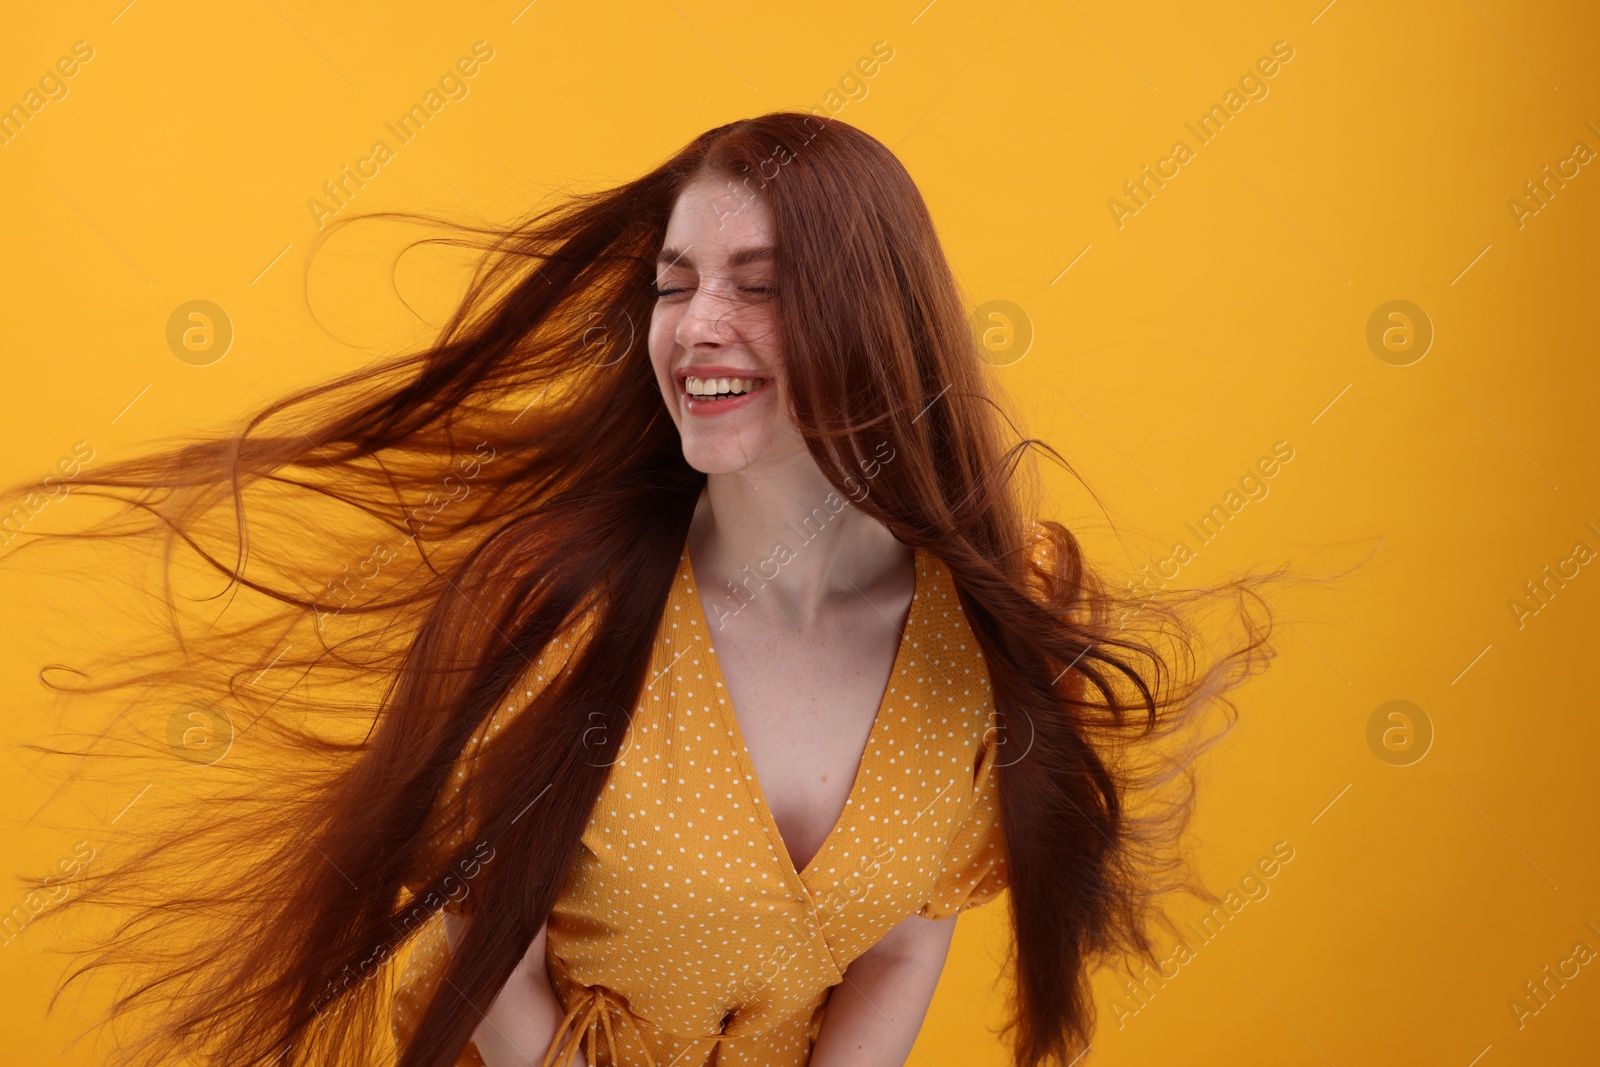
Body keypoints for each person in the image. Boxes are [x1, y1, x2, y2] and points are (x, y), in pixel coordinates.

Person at [9, 111, 1278, 1067]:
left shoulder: (974, 643)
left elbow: (904, 934)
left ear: (868, 318)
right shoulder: (560, 598)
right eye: (675, 283)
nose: (695, 324)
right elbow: (474, 918)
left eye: (759, 286)